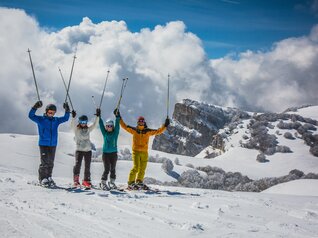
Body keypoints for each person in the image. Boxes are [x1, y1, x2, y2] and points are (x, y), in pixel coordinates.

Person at [119, 112, 170, 190]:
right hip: (136, 152)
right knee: (136, 167)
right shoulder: (134, 130)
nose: (141, 122)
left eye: (142, 121)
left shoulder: (147, 131)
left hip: (144, 153)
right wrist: (119, 117)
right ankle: (131, 182)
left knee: (142, 168)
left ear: (144, 122)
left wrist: (165, 125)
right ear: (138, 122)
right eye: (140, 121)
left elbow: (158, 131)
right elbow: (124, 126)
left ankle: (139, 181)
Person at [28, 100, 70, 187]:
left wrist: (67, 109)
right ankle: (42, 178)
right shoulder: (41, 119)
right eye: (50, 112)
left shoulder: (56, 120)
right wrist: (35, 107)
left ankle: (49, 177)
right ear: (46, 111)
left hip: (53, 144)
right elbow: (31, 116)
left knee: (51, 162)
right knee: (44, 162)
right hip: (43, 143)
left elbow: (66, 118)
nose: (51, 114)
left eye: (53, 113)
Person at [71, 108, 100, 189]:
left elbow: (94, 125)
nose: (83, 124)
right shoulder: (76, 130)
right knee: (77, 165)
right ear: (79, 122)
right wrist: (73, 117)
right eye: (81, 122)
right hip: (79, 150)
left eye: (85, 122)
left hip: (88, 150)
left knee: (87, 166)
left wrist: (97, 116)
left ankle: (86, 181)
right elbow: (72, 125)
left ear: (86, 122)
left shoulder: (88, 129)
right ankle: (76, 181)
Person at [98, 109, 121, 190]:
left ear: (113, 126)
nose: (109, 127)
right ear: (106, 127)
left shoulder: (115, 133)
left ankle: (111, 182)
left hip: (114, 153)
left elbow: (118, 125)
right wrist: (99, 117)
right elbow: (100, 125)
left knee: (113, 169)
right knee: (107, 168)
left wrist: (117, 117)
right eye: (107, 126)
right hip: (105, 154)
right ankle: (103, 182)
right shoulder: (105, 133)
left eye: (111, 126)